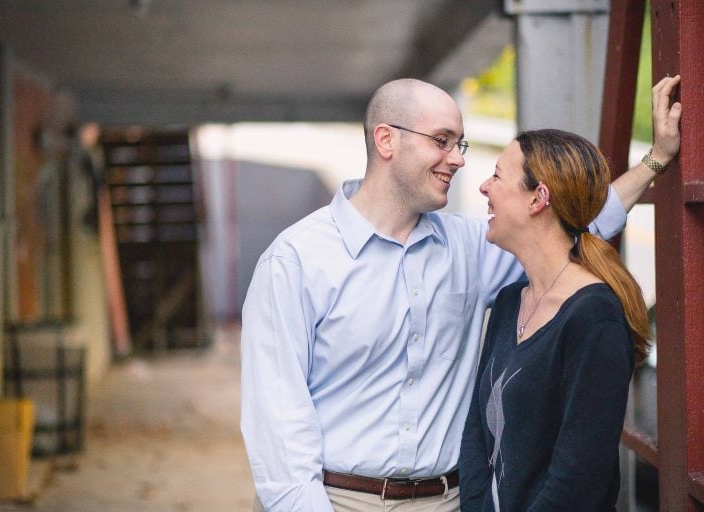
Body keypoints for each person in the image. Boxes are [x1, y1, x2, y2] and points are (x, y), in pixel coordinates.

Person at [240, 76, 681, 511]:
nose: (458, 159)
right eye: (442, 140)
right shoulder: (296, 260)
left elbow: (570, 223)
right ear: (386, 140)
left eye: (460, 144)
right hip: (336, 500)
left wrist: (657, 159)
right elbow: (278, 424)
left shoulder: (473, 247)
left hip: (449, 502)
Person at [458, 128, 659, 511]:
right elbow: (476, 434)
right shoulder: (507, 303)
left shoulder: (594, 316)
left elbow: (579, 477)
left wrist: (657, 159)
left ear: (539, 198)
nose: (485, 187)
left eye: (498, 175)